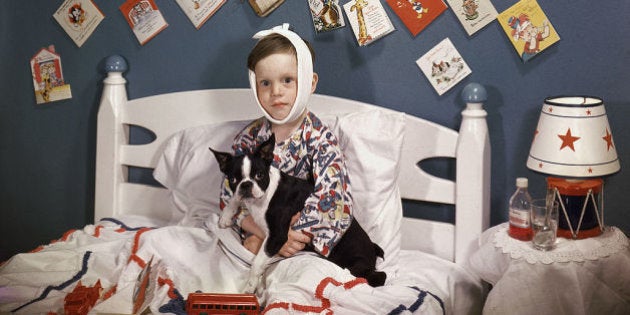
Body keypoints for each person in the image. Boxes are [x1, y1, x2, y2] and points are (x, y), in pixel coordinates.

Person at [219, 24, 354, 259]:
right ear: (255, 86)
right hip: (260, 226)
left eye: (287, 80)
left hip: (298, 237)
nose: (276, 92)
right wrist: (261, 231)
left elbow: (333, 203)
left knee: (302, 266)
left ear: (309, 83)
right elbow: (229, 197)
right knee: (248, 248)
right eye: (266, 83)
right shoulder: (248, 138)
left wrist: (286, 237)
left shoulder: (320, 140)